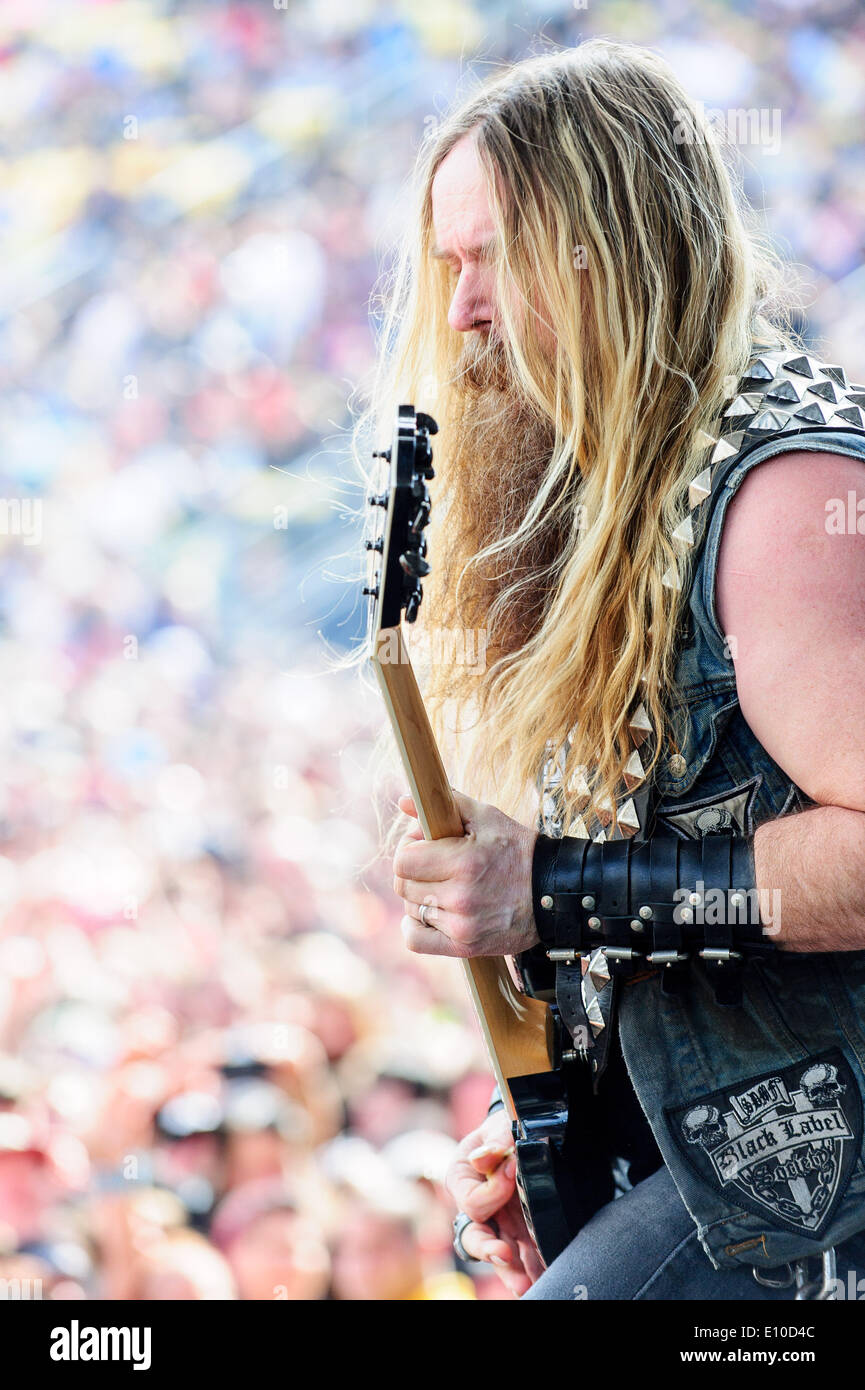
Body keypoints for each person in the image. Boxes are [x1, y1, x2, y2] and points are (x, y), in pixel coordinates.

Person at [377, 40, 865, 1298]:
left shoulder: (782, 493)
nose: (462, 309)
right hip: (719, 1160)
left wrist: (550, 887)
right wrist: (564, 1129)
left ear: (611, 246)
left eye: (492, 259)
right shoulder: (609, 492)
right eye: (450, 268)